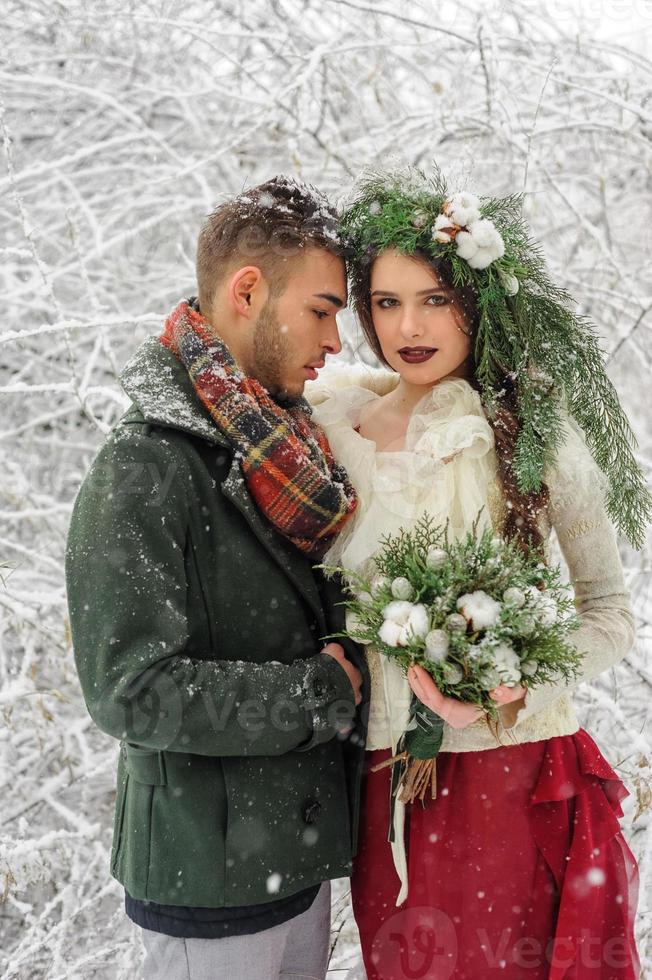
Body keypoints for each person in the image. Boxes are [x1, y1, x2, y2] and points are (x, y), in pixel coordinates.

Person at [305, 166, 648, 979]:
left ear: (478, 301)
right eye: (386, 302)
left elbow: (609, 613)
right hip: (388, 783)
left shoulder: (533, 428)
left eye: (434, 299)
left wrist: (514, 677)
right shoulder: (333, 429)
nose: (408, 325)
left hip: (517, 774)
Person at [64, 175, 369, 980]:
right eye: (322, 308)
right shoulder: (147, 465)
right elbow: (129, 689)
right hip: (209, 884)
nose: (337, 338)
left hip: (291, 863)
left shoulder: (281, 448)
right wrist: (318, 695)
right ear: (247, 290)